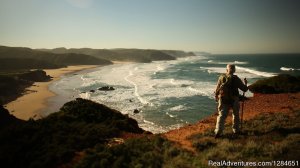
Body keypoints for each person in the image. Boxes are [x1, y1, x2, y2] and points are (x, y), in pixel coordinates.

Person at [214, 64, 248, 138]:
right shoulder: (236, 79)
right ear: (234, 70)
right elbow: (244, 89)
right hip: (234, 99)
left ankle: (218, 132)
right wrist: (246, 83)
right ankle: (236, 130)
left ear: (226, 70)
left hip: (223, 99)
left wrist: (216, 97)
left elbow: (217, 89)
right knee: (235, 115)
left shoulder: (221, 77)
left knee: (222, 115)